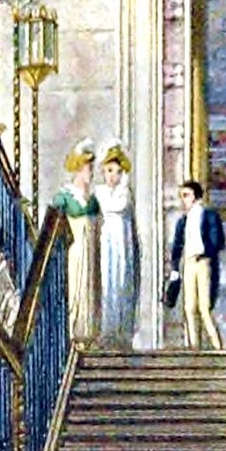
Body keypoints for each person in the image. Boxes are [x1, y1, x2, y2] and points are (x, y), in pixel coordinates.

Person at [51, 141, 106, 342]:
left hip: (90, 252)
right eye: (87, 169)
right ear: (78, 170)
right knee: (73, 289)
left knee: (89, 290)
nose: (90, 173)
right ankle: (71, 334)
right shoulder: (64, 197)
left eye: (90, 168)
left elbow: (99, 224)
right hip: (72, 252)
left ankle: (88, 333)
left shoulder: (92, 200)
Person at [168, 178, 225, 350]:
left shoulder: (209, 216)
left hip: (203, 262)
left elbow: (217, 241)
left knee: (204, 307)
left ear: (196, 196)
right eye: (182, 196)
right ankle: (194, 346)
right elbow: (177, 246)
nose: (183, 200)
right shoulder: (182, 221)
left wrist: (206, 253)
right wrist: (175, 269)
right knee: (189, 307)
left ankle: (217, 345)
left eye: (186, 195)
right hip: (189, 264)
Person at [93, 144, 140, 350]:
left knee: (122, 282)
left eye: (118, 172)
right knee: (106, 283)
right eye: (110, 171)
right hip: (106, 239)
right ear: (103, 171)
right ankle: (107, 330)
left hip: (122, 242)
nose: (114, 176)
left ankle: (122, 331)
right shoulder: (100, 191)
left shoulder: (124, 193)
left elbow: (119, 207)